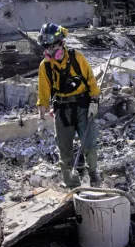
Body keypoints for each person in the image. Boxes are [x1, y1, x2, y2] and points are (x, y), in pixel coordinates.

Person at [36, 23, 102, 188]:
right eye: (47, 49)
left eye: (53, 47)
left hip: (83, 106)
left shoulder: (76, 57)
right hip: (62, 110)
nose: (50, 52)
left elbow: (91, 81)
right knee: (65, 151)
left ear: (60, 43)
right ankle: (73, 186)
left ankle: (93, 175)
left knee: (89, 145)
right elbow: (43, 95)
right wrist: (41, 118)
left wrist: (94, 102)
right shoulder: (45, 66)